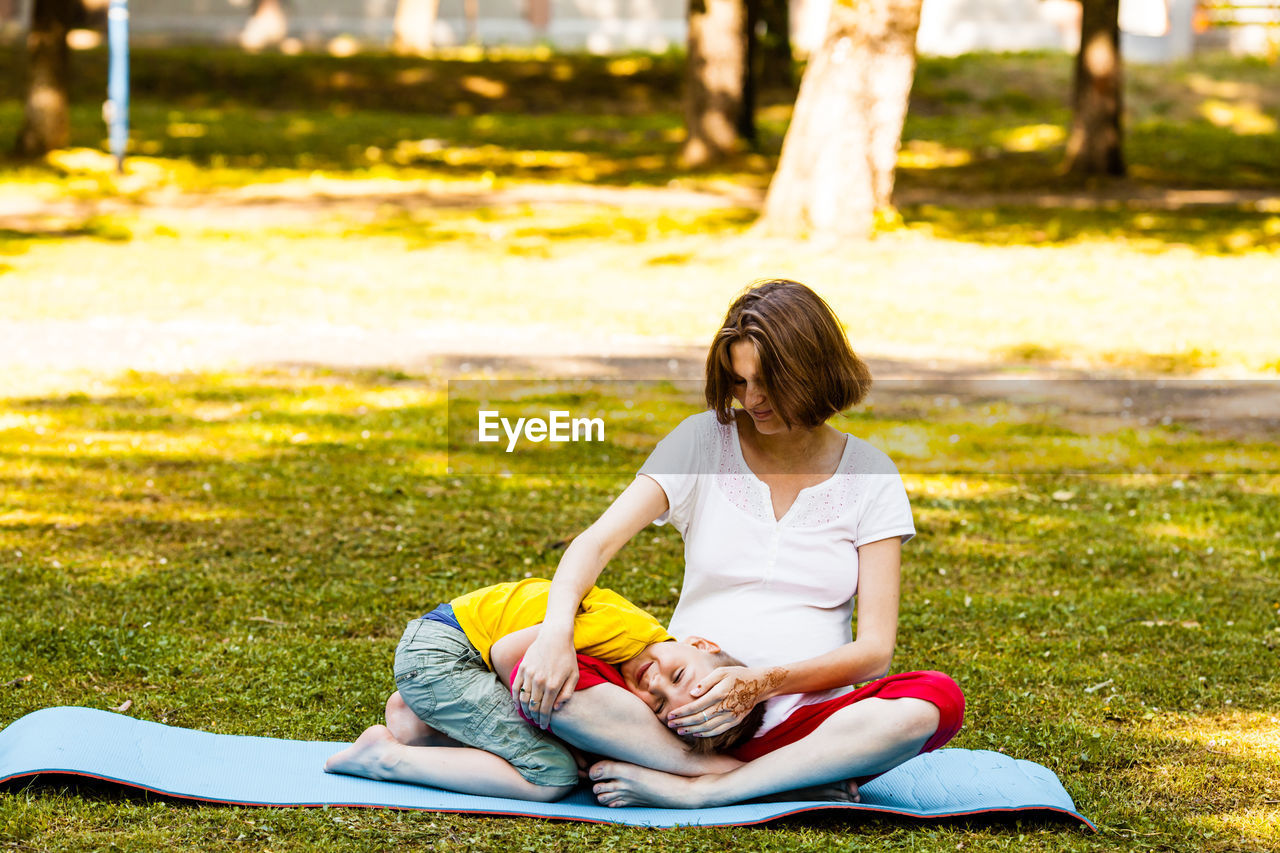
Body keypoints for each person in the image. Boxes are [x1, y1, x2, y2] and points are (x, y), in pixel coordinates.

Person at [511, 279, 965, 808]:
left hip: (807, 727)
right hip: (679, 720)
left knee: (934, 700)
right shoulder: (703, 440)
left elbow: (873, 654)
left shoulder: (871, 474)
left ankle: (711, 789)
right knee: (532, 661)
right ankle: (755, 777)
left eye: (767, 382)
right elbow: (595, 544)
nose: (751, 400)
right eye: (738, 380)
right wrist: (556, 632)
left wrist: (761, 684)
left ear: (812, 372)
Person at [323, 578, 765, 802]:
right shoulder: (622, 630)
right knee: (550, 775)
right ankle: (385, 758)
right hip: (445, 657)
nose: (654, 684)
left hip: (444, 652)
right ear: (702, 645)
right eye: (679, 676)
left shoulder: (636, 648)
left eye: (660, 704)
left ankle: (421, 722)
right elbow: (508, 655)